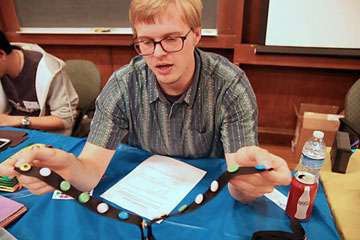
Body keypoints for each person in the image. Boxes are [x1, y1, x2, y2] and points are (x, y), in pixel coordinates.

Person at [0, 0, 291, 204]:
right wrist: (68, 167)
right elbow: (89, 172)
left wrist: (246, 184)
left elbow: (238, 183)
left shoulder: (230, 85)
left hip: (206, 188)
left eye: (171, 38)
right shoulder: (123, 84)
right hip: (145, 190)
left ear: (197, 34)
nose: (159, 53)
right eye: (146, 42)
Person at [0, 30, 79, 136]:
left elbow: (65, 120)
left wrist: (16, 120)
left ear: (1, 55)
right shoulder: (3, 70)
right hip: (12, 132)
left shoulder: (48, 70)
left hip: (47, 135)